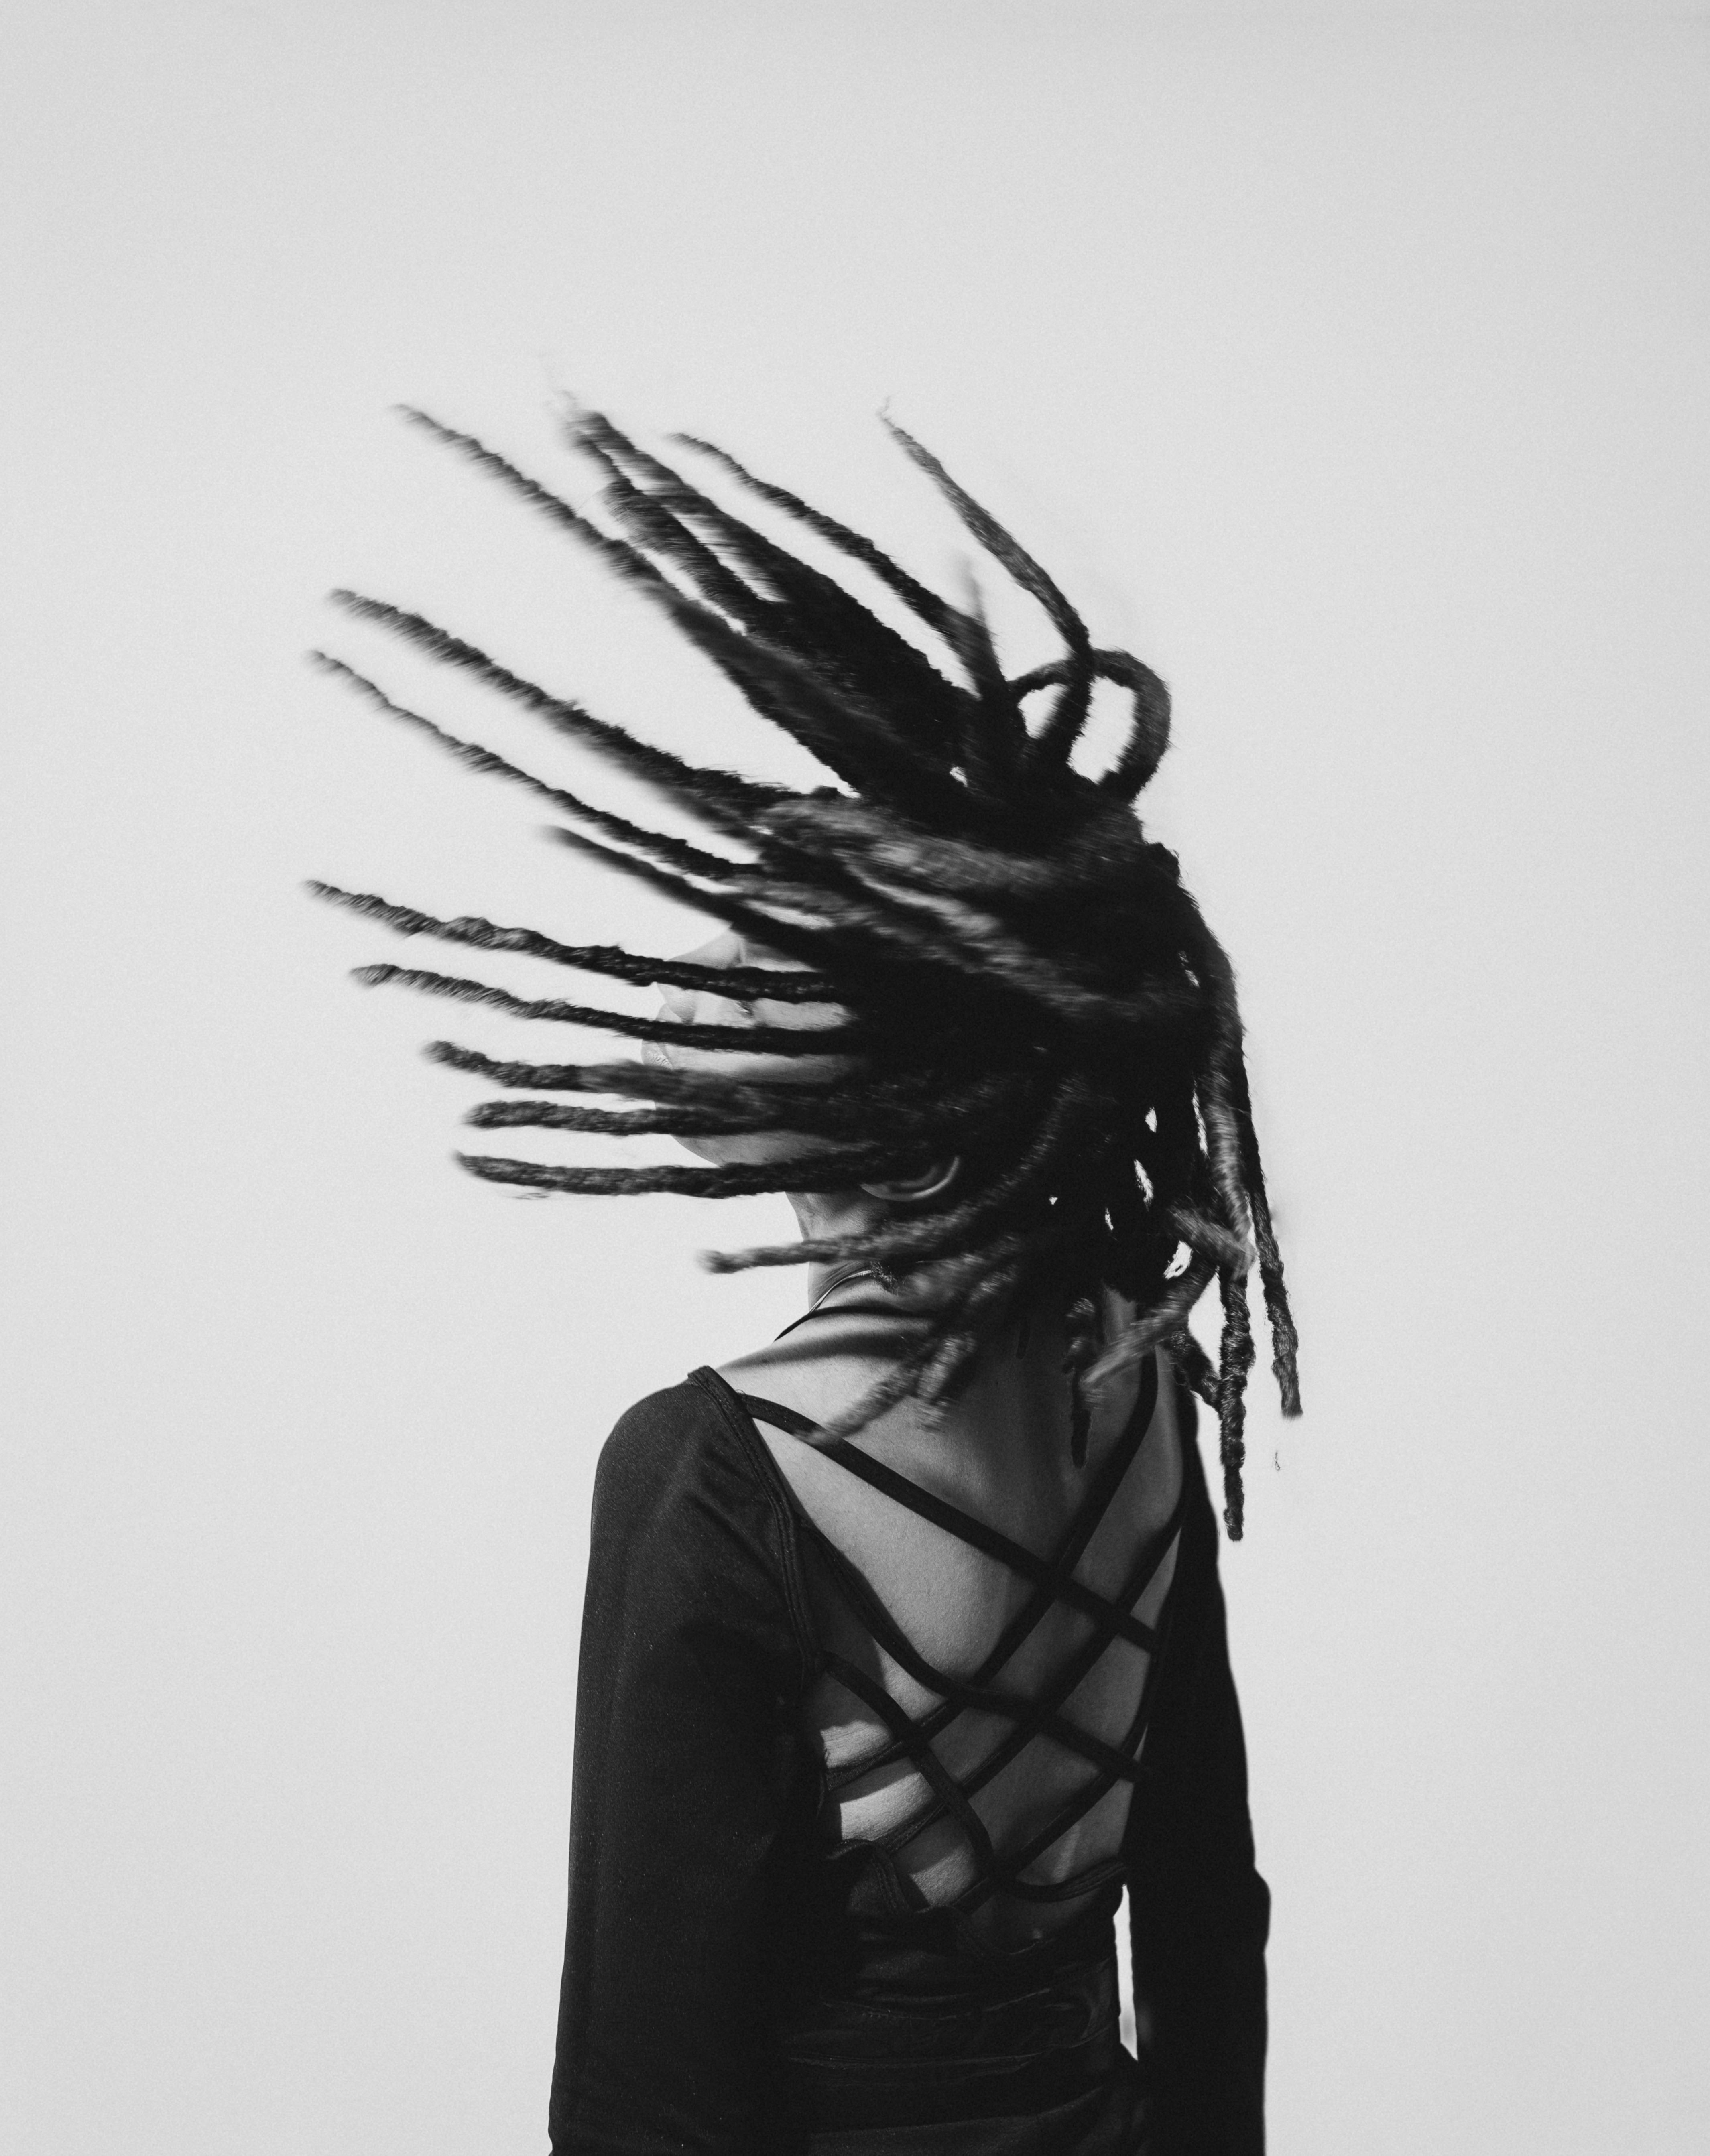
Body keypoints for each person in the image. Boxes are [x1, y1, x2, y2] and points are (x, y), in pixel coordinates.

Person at [314, 404, 1302, 2153]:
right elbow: (1206, 1923)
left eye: (753, 985)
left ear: (838, 1088)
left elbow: (646, 2078)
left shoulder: (716, 1475)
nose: (711, 1004)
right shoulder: (1136, 1393)